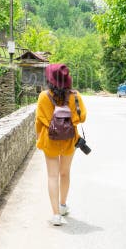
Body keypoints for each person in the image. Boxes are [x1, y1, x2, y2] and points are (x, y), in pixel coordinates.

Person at [35, 63, 86, 226]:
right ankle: (63, 206)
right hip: (70, 139)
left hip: (50, 139)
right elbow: (82, 117)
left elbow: (39, 121)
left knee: (52, 175)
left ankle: (56, 215)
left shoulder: (44, 96)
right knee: (65, 173)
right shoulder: (75, 96)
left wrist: (39, 138)